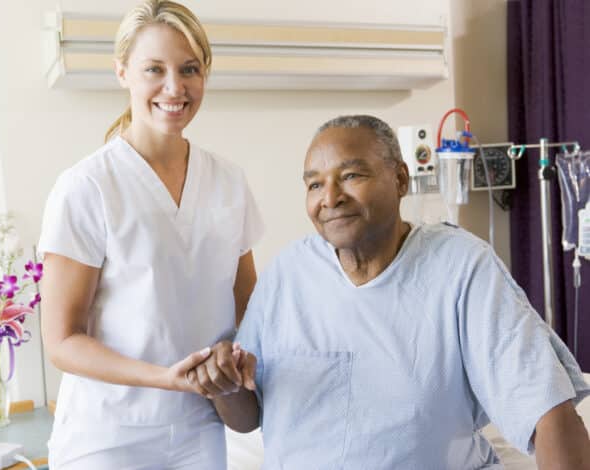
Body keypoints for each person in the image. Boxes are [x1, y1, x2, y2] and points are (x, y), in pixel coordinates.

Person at [193, 115, 590, 469]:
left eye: (351, 176)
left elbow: (548, 410)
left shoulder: (461, 267)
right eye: (315, 184)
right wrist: (223, 383)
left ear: (401, 179)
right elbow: (247, 418)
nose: (329, 198)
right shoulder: (288, 274)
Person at [37, 1, 263, 468]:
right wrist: (167, 377)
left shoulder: (229, 182)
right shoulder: (87, 187)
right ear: (122, 73)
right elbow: (62, 340)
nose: (174, 87)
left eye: (189, 69)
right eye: (154, 69)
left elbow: (251, 311)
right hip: (107, 435)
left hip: (201, 429)